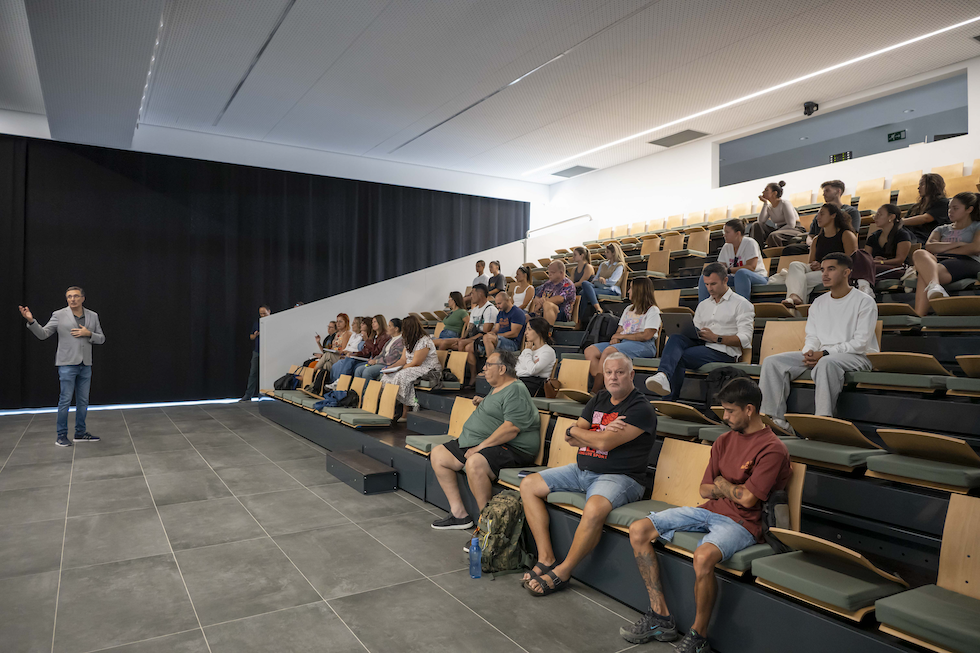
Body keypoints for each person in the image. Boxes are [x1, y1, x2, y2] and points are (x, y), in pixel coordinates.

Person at [622, 378, 791, 651]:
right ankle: (660, 615)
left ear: (750, 409)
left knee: (703, 557)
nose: (725, 417)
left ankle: (698, 636)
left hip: (743, 523)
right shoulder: (724, 440)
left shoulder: (772, 448)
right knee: (639, 529)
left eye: (730, 411)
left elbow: (748, 500)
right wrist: (729, 488)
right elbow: (703, 489)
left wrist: (722, 485)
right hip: (709, 511)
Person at [520, 353, 655, 596]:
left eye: (620, 372)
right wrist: (597, 432)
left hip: (621, 477)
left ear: (632, 375)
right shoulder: (600, 398)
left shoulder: (640, 408)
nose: (614, 377)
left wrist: (591, 434)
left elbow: (604, 444)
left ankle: (563, 571)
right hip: (581, 470)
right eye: (610, 372)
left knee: (593, 509)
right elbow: (570, 437)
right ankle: (546, 557)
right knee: (529, 484)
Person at [760, 253, 878, 431]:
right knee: (772, 362)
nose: (824, 274)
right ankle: (775, 420)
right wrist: (809, 352)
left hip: (858, 357)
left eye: (831, 269)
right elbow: (812, 336)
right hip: (823, 355)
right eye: (823, 269)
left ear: (847, 272)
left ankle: (822, 424)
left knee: (826, 363)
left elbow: (860, 343)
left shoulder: (865, 302)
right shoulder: (818, 302)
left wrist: (824, 354)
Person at [430, 350, 541, 530]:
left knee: (475, 463)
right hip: (484, 443)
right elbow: (501, 409)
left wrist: (480, 447)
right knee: (439, 455)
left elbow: (511, 428)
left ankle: (488, 526)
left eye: (489, 364)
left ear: (502, 369)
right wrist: (484, 403)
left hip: (512, 448)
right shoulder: (498, 387)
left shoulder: (516, 389)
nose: (484, 368)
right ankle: (459, 515)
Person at [647, 263, 754, 400]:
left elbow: (745, 339)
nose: (709, 288)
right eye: (707, 284)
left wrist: (717, 338)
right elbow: (694, 329)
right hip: (703, 344)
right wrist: (692, 332)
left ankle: (669, 398)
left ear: (725, 280)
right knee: (675, 337)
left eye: (713, 284)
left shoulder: (742, 304)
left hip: (724, 351)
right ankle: (662, 376)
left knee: (679, 356)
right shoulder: (703, 305)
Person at [19, 286, 106, 447]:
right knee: (65, 400)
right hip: (67, 364)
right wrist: (31, 321)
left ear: (83, 298)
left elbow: (101, 338)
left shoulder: (93, 316)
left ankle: (80, 433)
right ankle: (61, 435)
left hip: (85, 364)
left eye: (75, 296)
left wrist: (89, 334)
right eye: (69, 297)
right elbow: (43, 334)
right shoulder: (59, 315)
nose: (72, 299)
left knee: (83, 401)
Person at [584, 277, 660, 393]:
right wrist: (617, 338)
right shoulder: (629, 308)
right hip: (624, 343)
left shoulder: (653, 310)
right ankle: (605, 386)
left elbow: (647, 335)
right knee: (590, 351)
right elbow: (619, 330)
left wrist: (621, 337)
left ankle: (596, 390)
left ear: (639, 290)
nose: (628, 291)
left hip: (644, 345)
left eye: (631, 288)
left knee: (608, 351)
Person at [912, 192, 980, 316]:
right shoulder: (941, 229)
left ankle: (919, 317)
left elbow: (975, 248)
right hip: (941, 261)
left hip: (968, 261)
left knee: (926, 273)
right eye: (949, 208)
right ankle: (935, 287)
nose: (950, 211)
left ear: (969, 209)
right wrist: (959, 243)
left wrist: (943, 248)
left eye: (955, 208)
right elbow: (930, 246)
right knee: (919, 253)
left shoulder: (977, 226)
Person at [780, 203, 858, 308]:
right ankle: (794, 297)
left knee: (800, 279)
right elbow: (811, 262)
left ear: (833, 215)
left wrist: (823, 266)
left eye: (822, 214)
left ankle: (796, 304)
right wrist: (815, 265)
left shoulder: (846, 234)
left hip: (836, 271)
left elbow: (851, 261)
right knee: (795, 265)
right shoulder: (817, 239)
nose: (818, 217)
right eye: (818, 214)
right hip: (820, 271)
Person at [381, 315, 441, 421]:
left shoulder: (424, 341)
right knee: (386, 377)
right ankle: (391, 409)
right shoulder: (408, 340)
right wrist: (391, 368)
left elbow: (416, 362)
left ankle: (406, 411)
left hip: (427, 369)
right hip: (411, 367)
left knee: (402, 375)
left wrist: (400, 369)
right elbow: (403, 360)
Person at [697, 219, 767, 302]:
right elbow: (721, 266)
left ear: (737, 234)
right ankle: (703, 310)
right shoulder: (726, 246)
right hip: (735, 278)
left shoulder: (750, 243)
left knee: (741, 273)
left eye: (727, 232)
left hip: (757, 277)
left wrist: (729, 270)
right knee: (706, 277)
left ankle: (743, 308)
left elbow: (751, 267)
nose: (724, 235)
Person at [579, 242, 626, 321]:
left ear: (614, 253)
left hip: (611, 289)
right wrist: (599, 280)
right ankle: (597, 308)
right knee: (585, 283)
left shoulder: (619, 265)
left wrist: (604, 281)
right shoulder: (603, 264)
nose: (605, 254)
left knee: (583, 292)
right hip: (599, 287)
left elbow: (613, 281)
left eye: (608, 252)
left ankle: (580, 319)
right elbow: (595, 279)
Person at [864, 204, 913, 279]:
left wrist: (881, 262)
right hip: (877, 267)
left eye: (879, 214)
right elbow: (866, 257)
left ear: (891, 217)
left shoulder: (902, 234)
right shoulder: (873, 237)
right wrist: (873, 260)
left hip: (898, 268)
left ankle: (865, 286)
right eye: (876, 214)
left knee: (868, 269)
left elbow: (900, 260)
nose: (876, 217)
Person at [334, 315, 389, 380]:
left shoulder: (384, 337)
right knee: (346, 360)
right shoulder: (374, 336)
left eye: (375, 322)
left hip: (375, 360)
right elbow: (365, 351)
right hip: (369, 359)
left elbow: (376, 351)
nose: (373, 324)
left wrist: (367, 341)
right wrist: (354, 354)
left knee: (353, 363)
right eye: (372, 322)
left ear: (380, 323)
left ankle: (342, 381)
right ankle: (342, 382)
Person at [806, 181, 861, 245]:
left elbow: (853, 234)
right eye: (823, 192)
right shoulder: (819, 214)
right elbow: (810, 235)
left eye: (827, 191)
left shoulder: (851, 211)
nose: (823, 194)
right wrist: (811, 243)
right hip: (818, 245)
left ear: (838, 191)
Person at [750, 180, 802, 247]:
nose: (763, 192)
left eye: (766, 190)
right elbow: (761, 221)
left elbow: (791, 224)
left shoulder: (785, 203)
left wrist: (775, 232)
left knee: (774, 235)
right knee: (756, 225)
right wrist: (765, 203)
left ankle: (774, 255)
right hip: (779, 229)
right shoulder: (769, 207)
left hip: (794, 229)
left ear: (774, 193)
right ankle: (758, 251)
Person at [515, 317, 557, 397]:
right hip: (522, 381)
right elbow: (516, 370)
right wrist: (530, 367)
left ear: (538, 331)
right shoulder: (528, 350)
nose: (525, 333)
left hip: (537, 385)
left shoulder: (547, 351)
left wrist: (527, 352)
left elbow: (532, 370)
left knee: (509, 389)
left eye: (529, 329)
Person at [903, 173, 949, 244]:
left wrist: (900, 222)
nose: (918, 188)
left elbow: (926, 218)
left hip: (926, 238)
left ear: (933, 185)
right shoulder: (915, 207)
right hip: (911, 236)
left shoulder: (943, 203)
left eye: (922, 184)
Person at [529, 260, 576, 326]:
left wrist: (543, 303)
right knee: (524, 317)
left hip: (560, 313)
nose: (549, 274)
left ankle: (547, 333)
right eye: (549, 272)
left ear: (561, 273)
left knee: (547, 305)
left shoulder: (568, 284)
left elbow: (560, 299)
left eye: (552, 272)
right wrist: (538, 302)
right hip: (542, 311)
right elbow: (537, 297)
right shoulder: (547, 284)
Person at [241, 305, 271, 401]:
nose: (262, 315)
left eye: (264, 313)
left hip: (270, 351)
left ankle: (268, 395)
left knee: (269, 373)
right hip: (257, 351)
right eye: (261, 314)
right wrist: (255, 335)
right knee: (253, 373)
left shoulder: (274, 322)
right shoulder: (257, 323)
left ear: (269, 312)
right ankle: (248, 395)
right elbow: (251, 337)